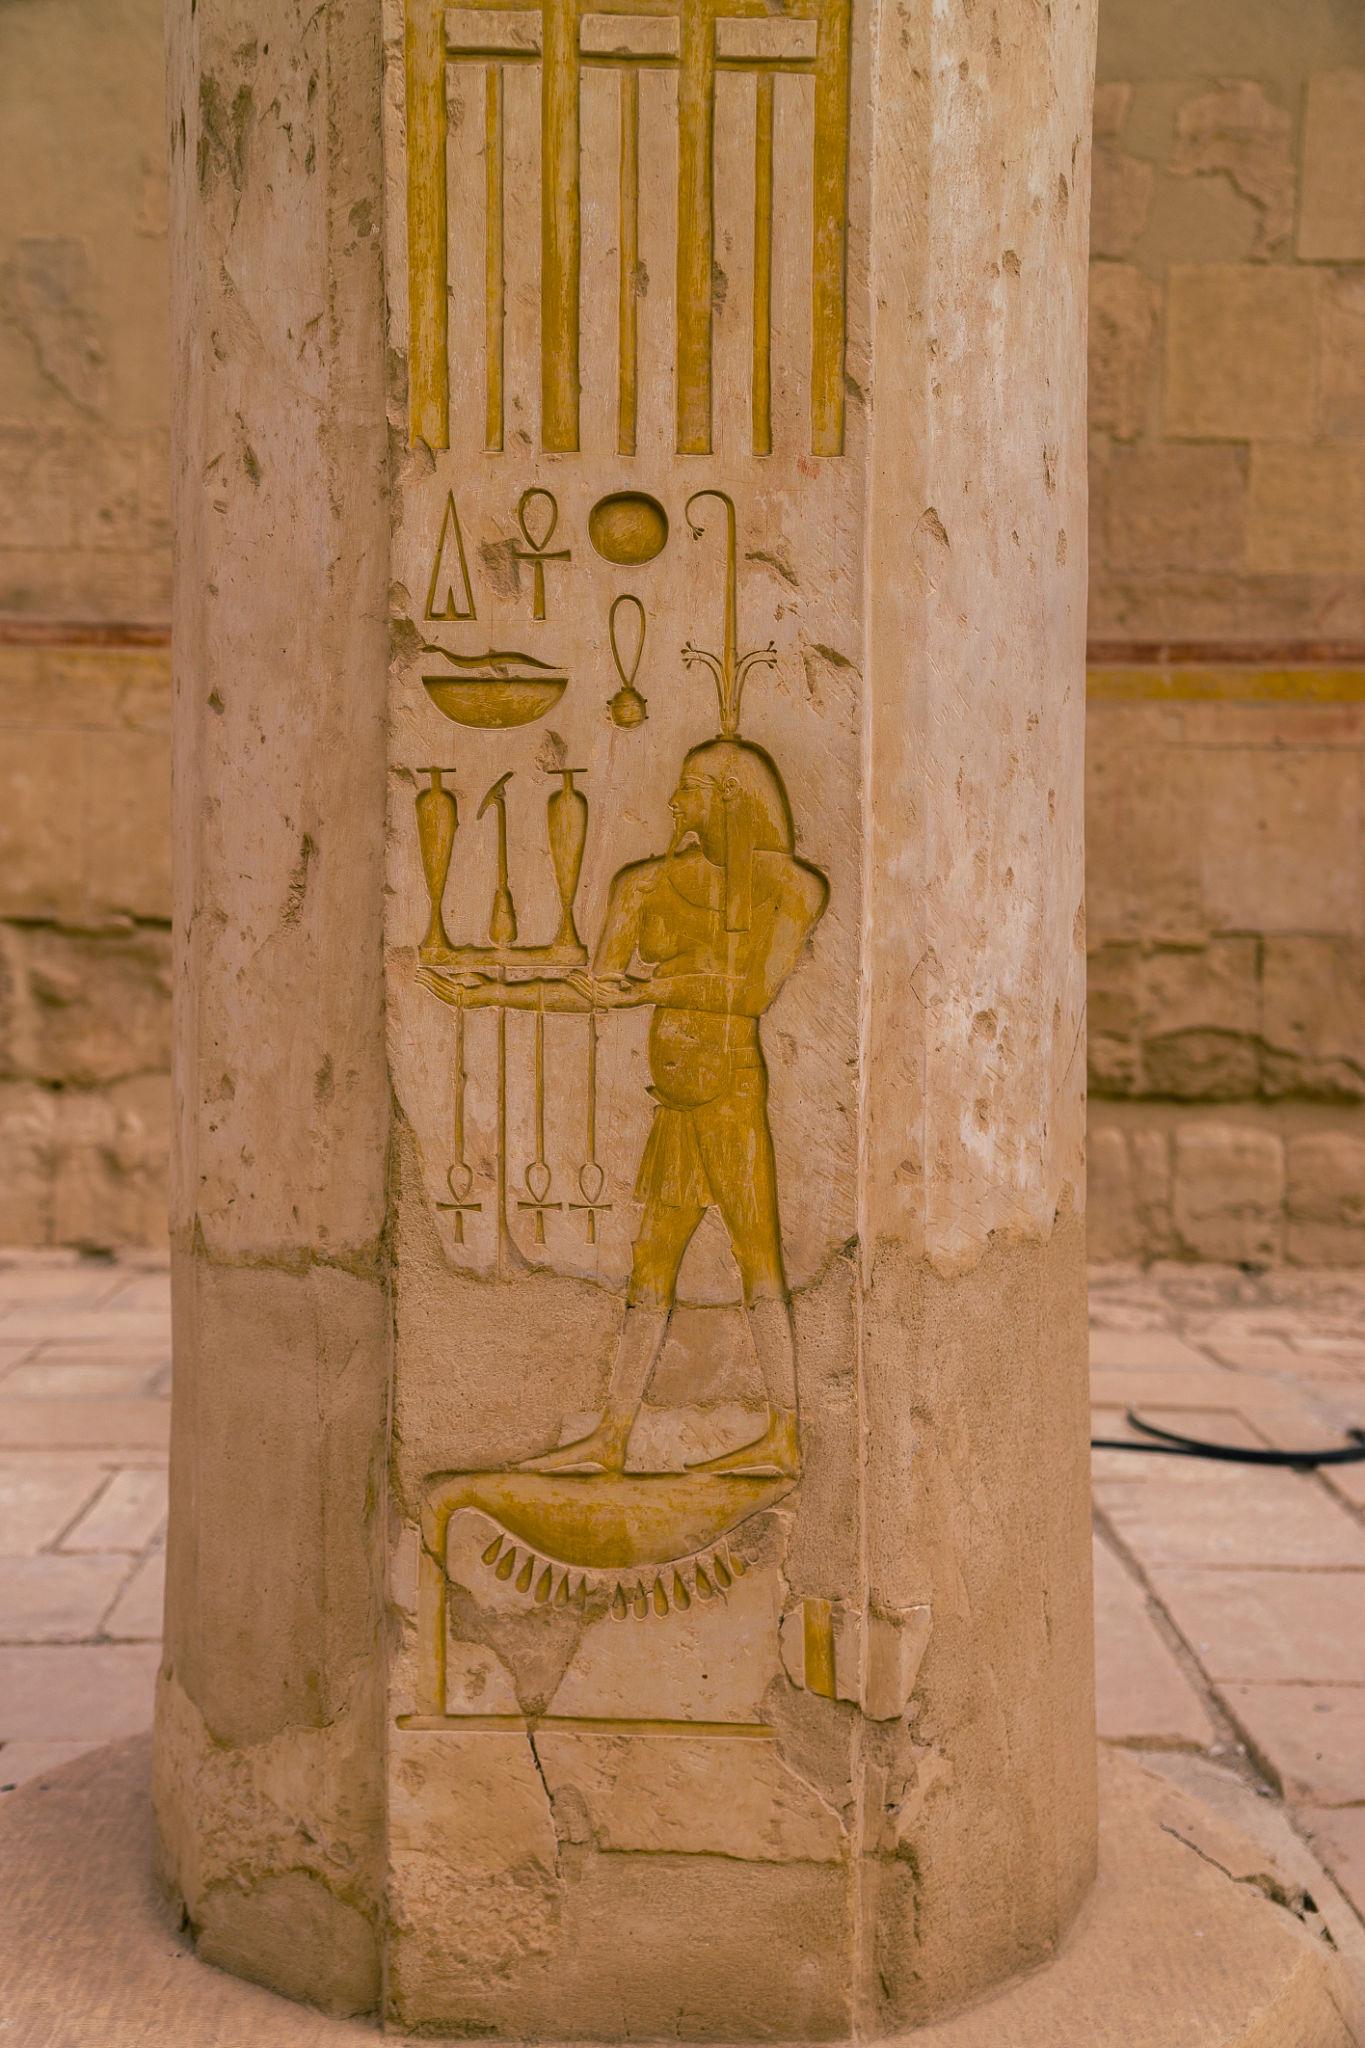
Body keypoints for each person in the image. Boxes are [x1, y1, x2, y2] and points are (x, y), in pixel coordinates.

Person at [420, 733, 828, 1478]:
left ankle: (783, 1431)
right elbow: (595, 989)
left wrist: (654, 988)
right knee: (652, 1261)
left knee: (755, 1252)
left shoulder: (790, 886)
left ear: (732, 798)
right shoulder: (643, 884)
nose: (674, 802)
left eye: (692, 788)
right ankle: (612, 1436)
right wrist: (492, 994)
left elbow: (753, 995)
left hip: (730, 1089)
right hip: (675, 1098)